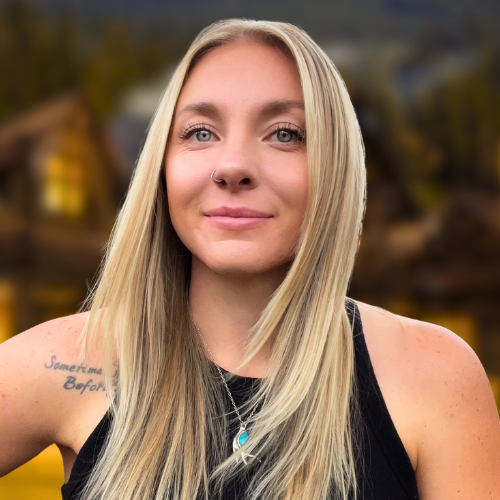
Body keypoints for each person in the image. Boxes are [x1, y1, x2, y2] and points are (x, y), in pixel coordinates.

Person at [1, 18, 499, 500]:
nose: (233, 165)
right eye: (199, 132)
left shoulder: (437, 378)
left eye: (284, 133)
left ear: (335, 167)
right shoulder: (71, 362)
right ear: (162, 167)